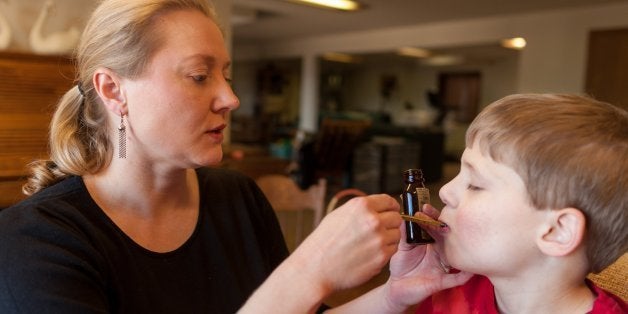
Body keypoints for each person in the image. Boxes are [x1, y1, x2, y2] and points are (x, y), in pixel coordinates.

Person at [0, 1, 449, 313]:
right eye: (199, 76)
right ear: (113, 89)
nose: (231, 98)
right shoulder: (35, 243)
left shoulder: (237, 197)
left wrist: (394, 295)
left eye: (226, 75)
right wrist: (306, 272)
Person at [327, 93, 628, 313]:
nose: (444, 191)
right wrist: (394, 293)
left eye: (475, 184)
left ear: (557, 231)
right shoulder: (450, 294)